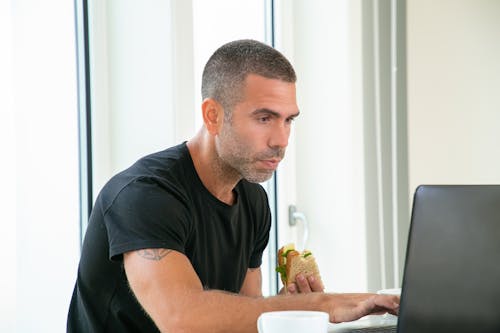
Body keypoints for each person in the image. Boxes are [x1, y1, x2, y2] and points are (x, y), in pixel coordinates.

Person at [67, 39, 399, 333]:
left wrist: (291, 312)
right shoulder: (144, 195)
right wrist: (323, 305)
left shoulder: (254, 200)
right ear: (212, 115)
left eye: (289, 120)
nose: (281, 140)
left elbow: (241, 316)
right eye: (264, 118)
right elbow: (182, 320)